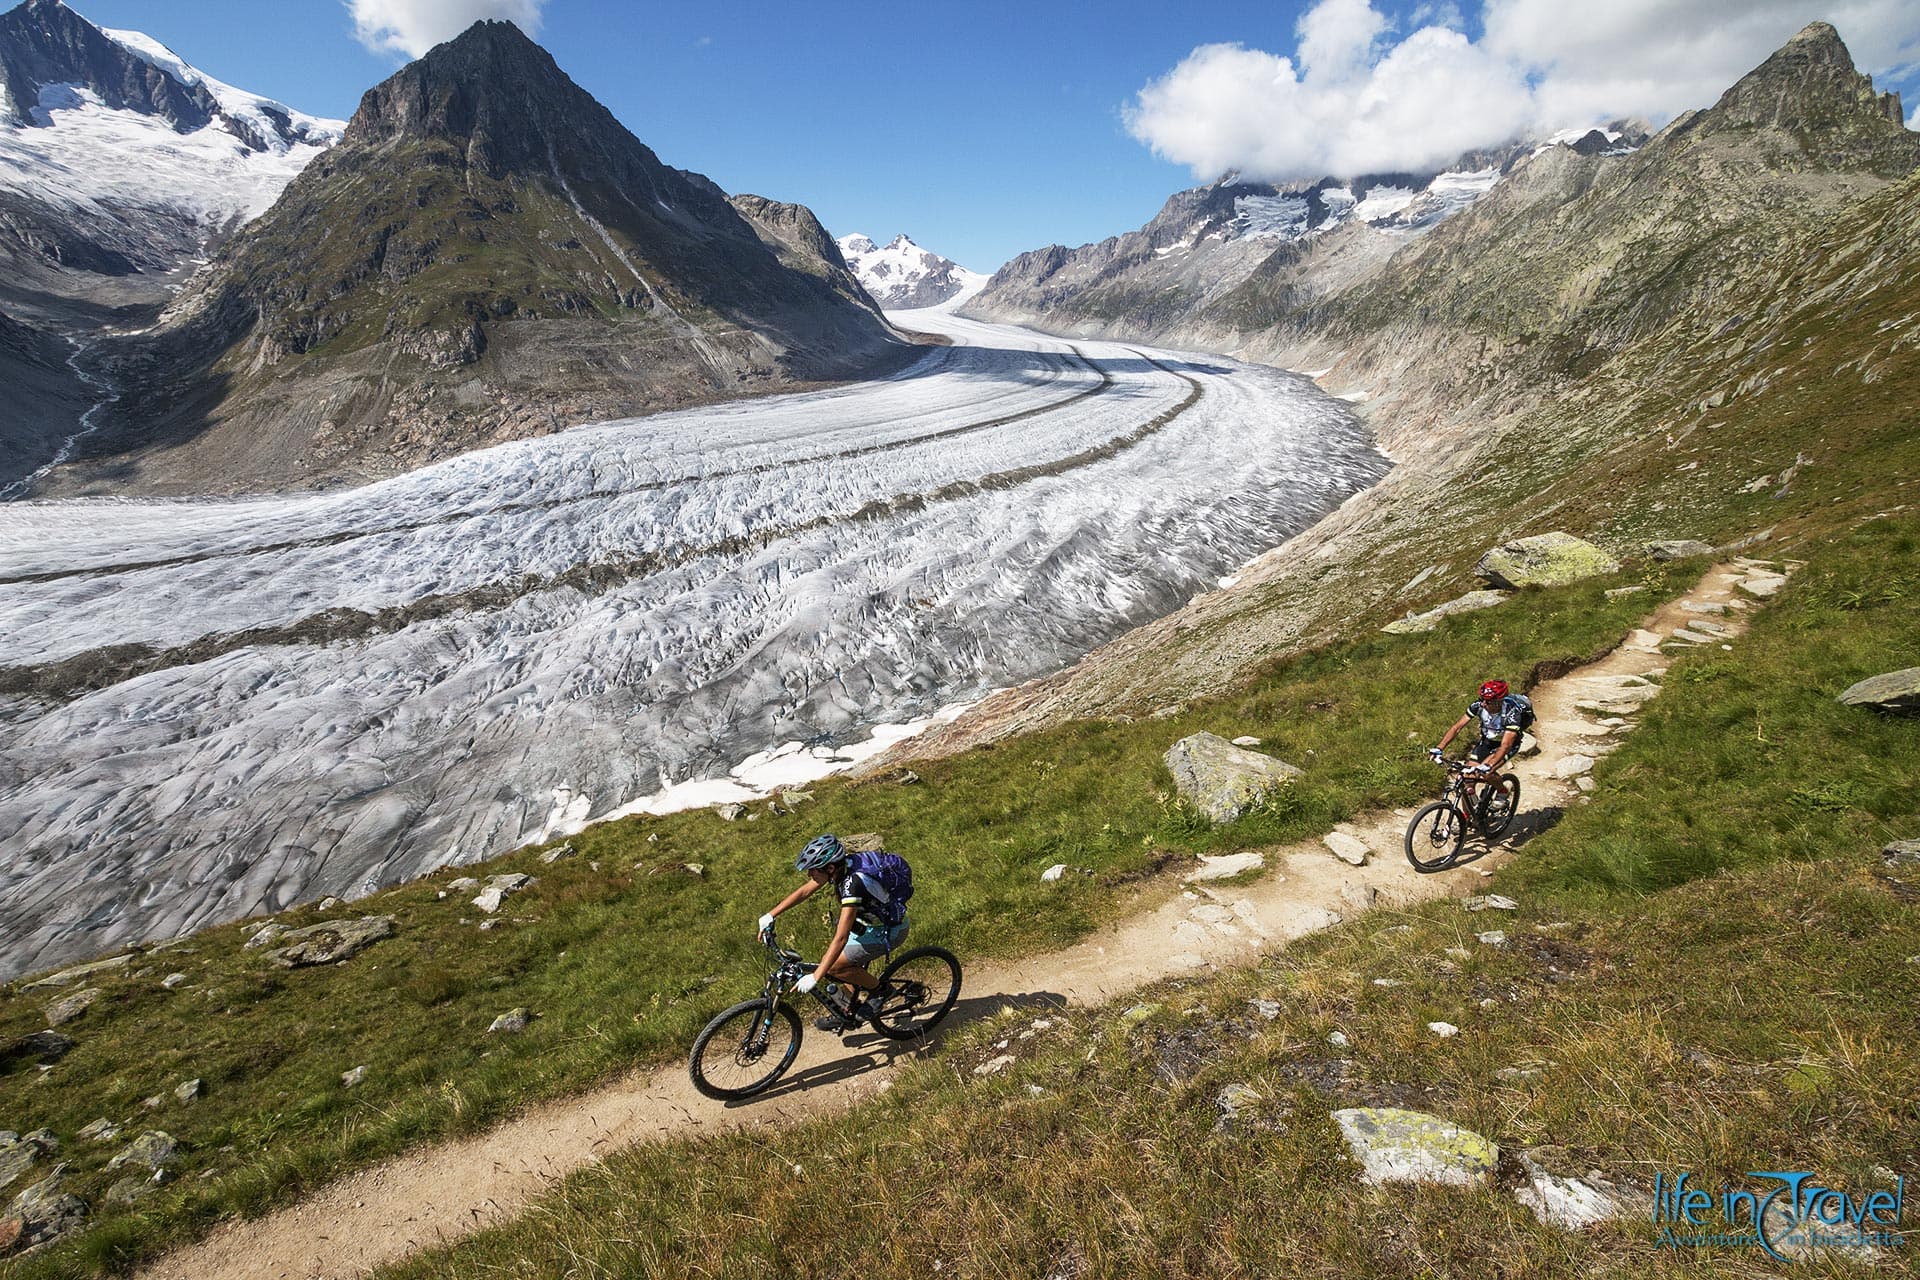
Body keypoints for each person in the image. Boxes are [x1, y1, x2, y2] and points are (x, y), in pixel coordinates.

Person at [758, 834, 911, 1031]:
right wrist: (771, 915)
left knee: (834, 967)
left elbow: (841, 938)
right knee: (840, 964)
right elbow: (805, 891)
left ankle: (881, 991)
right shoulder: (841, 867)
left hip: (888, 931)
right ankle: (847, 1009)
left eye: (812, 870)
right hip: (866, 924)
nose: (809, 874)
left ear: (829, 868)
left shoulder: (853, 884)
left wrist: (816, 976)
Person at [1431, 679, 1530, 802]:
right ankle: (1470, 817)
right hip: (1487, 742)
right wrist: (1439, 748)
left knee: (1486, 773)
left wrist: (1489, 765)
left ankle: (1502, 790)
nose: (1483, 703)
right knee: (1467, 778)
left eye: (1487, 701)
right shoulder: (1478, 705)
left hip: (1506, 745)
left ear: (1498, 702)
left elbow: (1505, 745)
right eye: (1482, 699)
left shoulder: (1512, 713)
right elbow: (1457, 728)